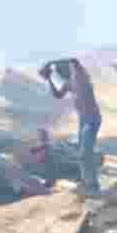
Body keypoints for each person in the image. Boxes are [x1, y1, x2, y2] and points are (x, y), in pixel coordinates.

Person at [39, 58, 101, 194]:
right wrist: (49, 78)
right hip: (83, 119)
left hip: (91, 119)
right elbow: (58, 95)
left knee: (85, 153)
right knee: (82, 153)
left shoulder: (81, 77)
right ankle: (87, 182)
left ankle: (92, 185)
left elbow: (74, 60)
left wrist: (50, 63)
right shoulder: (69, 83)